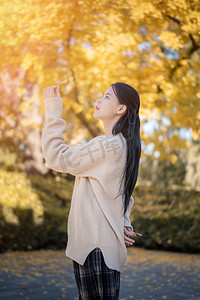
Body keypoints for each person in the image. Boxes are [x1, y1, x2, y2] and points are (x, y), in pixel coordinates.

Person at [42, 82, 141, 299]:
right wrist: (124, 221)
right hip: (98, 249)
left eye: (106, 97)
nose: (99, 100)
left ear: (121, 108)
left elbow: (56, 157)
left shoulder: (109, 146)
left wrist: (53, 111)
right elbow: (124, 194)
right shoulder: (122, 145)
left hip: (95, 250)